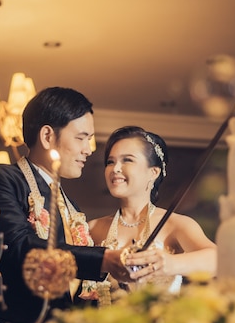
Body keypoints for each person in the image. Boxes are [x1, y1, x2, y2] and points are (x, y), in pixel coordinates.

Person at [0, 87, 140, 323]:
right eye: (81, 137)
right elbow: (18, 247)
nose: (90, 149)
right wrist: (104, 260)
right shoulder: (1, 179)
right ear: (48, 136)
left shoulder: (73, 209)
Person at [89, 125, 217, 292]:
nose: (115, 169)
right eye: (110, 162)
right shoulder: (93, 228)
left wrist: (169, 264)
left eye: (127, 160)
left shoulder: (175, 224)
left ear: (154, 172)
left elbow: (217, 260)